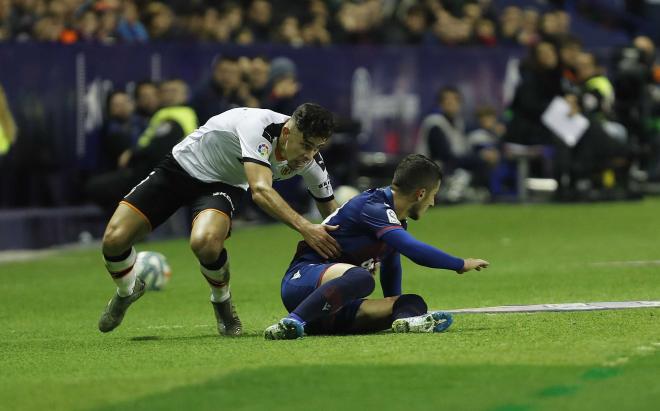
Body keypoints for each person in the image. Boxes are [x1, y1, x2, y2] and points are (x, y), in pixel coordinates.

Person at [98, 103, 340, 337]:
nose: (308, 156)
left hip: (223, 184)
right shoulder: (259, 127)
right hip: (180, 168)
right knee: (113, 240)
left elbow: (332, 211)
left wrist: (354, 254)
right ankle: (127, 289)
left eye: (317, 148)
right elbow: (261, 191)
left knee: (205, 242)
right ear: (287, 132)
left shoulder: (311, 162)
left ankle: (222, 301)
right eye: (305, 145)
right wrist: (306, 228)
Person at [264, 154, 489, 339]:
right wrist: (460, 264)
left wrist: (394, 304)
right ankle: (292, 322)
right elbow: (413, 250)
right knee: (362, 278)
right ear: (420, 194)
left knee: (412, 302)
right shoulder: (373, 206)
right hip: (302, 282)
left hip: (333, 307)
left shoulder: (395, 218)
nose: (432, 202)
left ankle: (407, 321)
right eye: (433, 195)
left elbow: (392, 266)